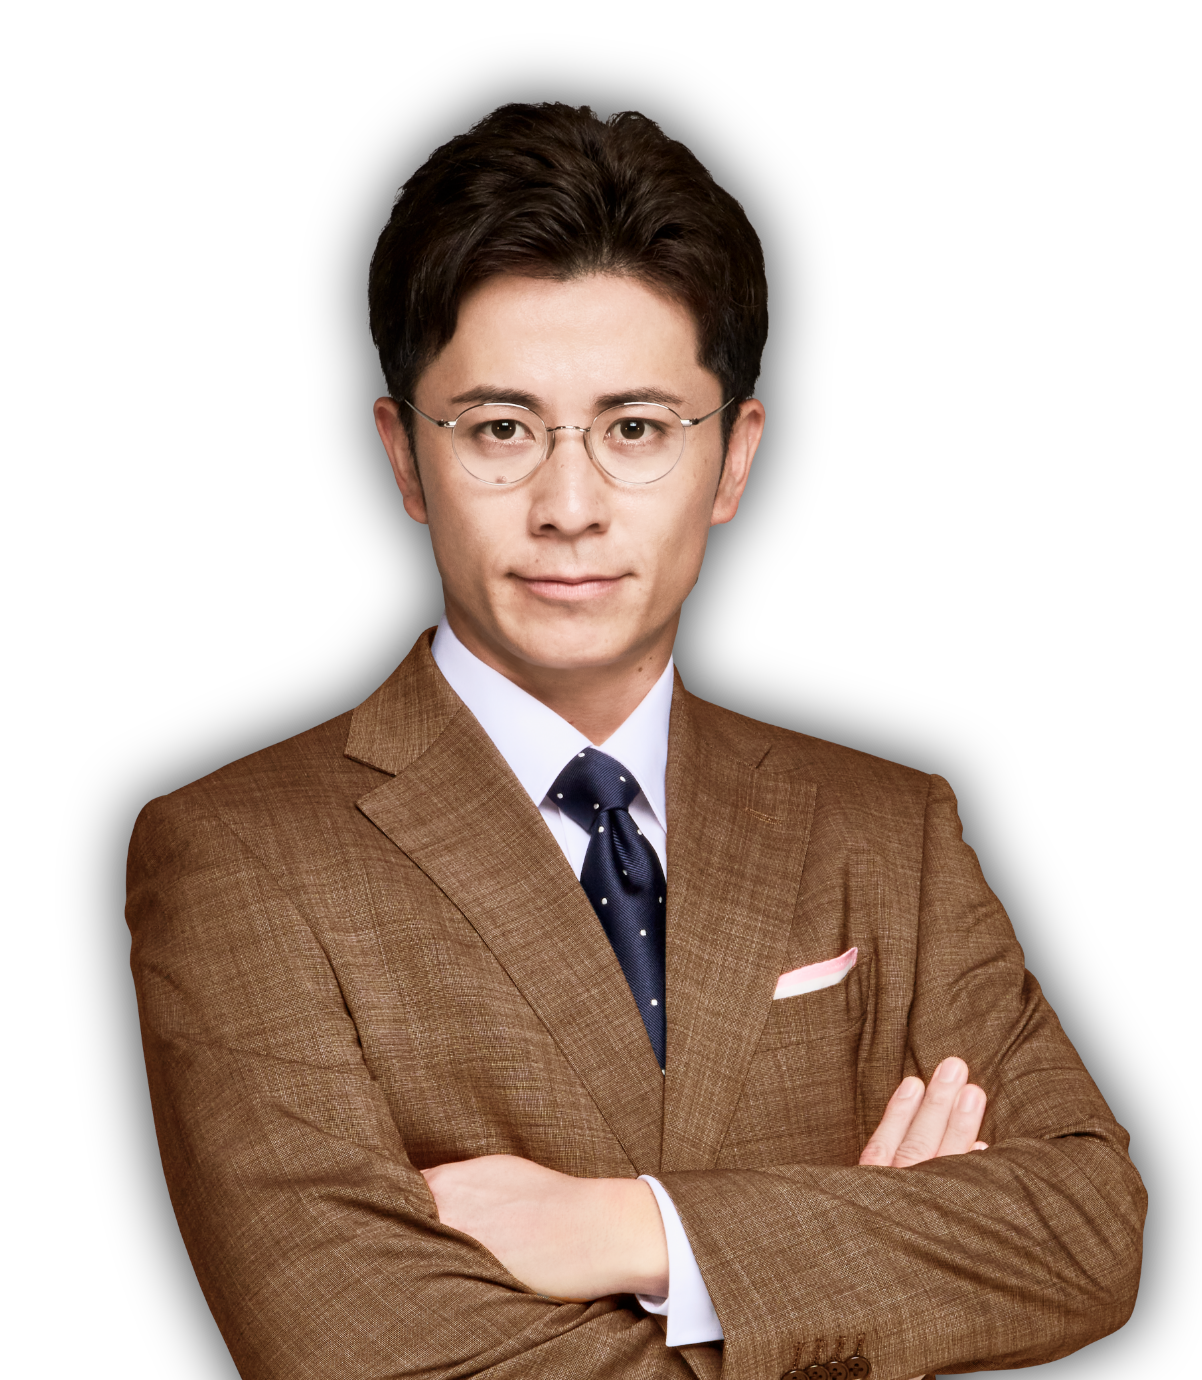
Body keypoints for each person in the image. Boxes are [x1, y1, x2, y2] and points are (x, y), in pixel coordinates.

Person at [126, 102, 1145, 1380]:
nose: (568, 506)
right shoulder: (234, 856)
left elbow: (1084, 1233)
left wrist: (637, 1229)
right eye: (500, 428)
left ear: (732, 461)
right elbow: (371, 1353)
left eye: (635, 428)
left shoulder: (888, 828)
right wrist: (881, 1265)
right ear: (404, 460)